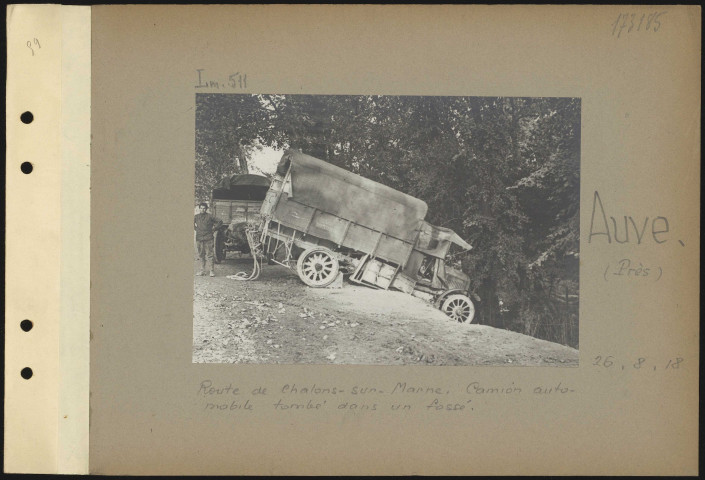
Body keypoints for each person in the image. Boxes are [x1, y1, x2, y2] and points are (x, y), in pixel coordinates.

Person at [194, 202, 222, 277]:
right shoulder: (196, 217)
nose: (202, 210)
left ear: (206, 209)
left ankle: (211, 271)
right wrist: (197, 229)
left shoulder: (210, 216)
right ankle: (202, 271)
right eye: (201, 208)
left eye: (204, 208)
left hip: (208, 238)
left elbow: (220, 221)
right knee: (201, 255)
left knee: (210, 255)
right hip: (199, 238)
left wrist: (214, 228)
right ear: (199, 209)